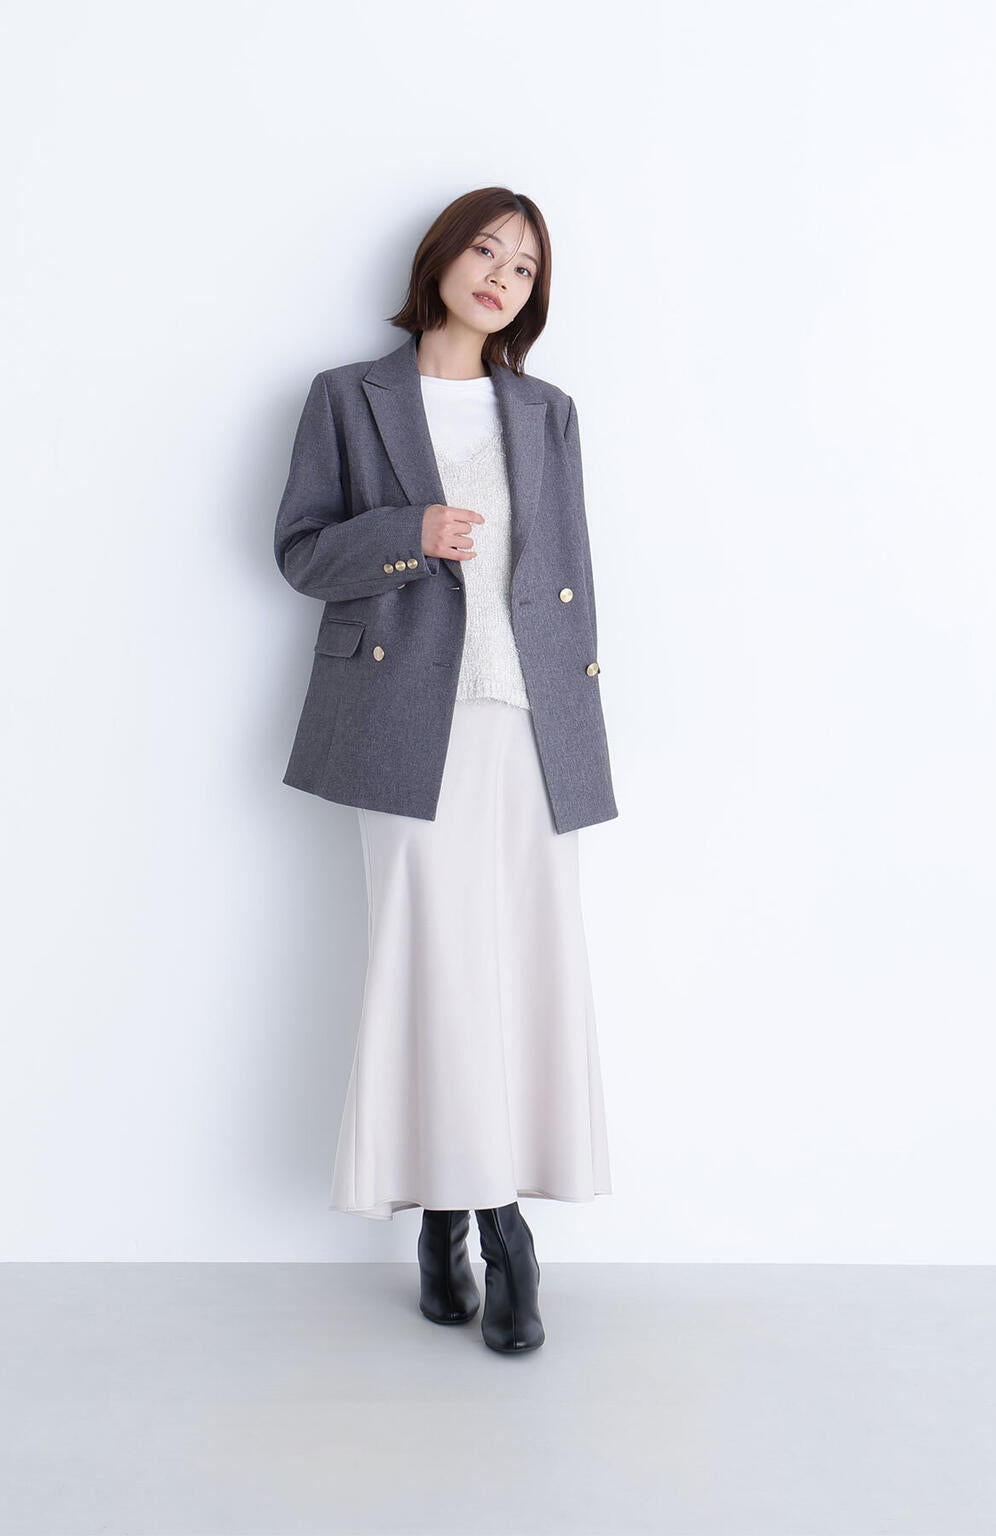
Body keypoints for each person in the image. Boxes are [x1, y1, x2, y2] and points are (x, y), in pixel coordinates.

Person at [273, 187, 619, 1354]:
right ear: (440, 257)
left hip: (528, 720)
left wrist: (580, 730)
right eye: (486, 250)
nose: (500, 278)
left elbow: (568, 575)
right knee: (433, 965)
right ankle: (488, 1223)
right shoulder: (347, 396)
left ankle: (461, 1225)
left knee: (523, 967)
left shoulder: (548, 412)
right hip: (401, 723)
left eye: (523, 269)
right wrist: (404, 534)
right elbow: (301, 553)